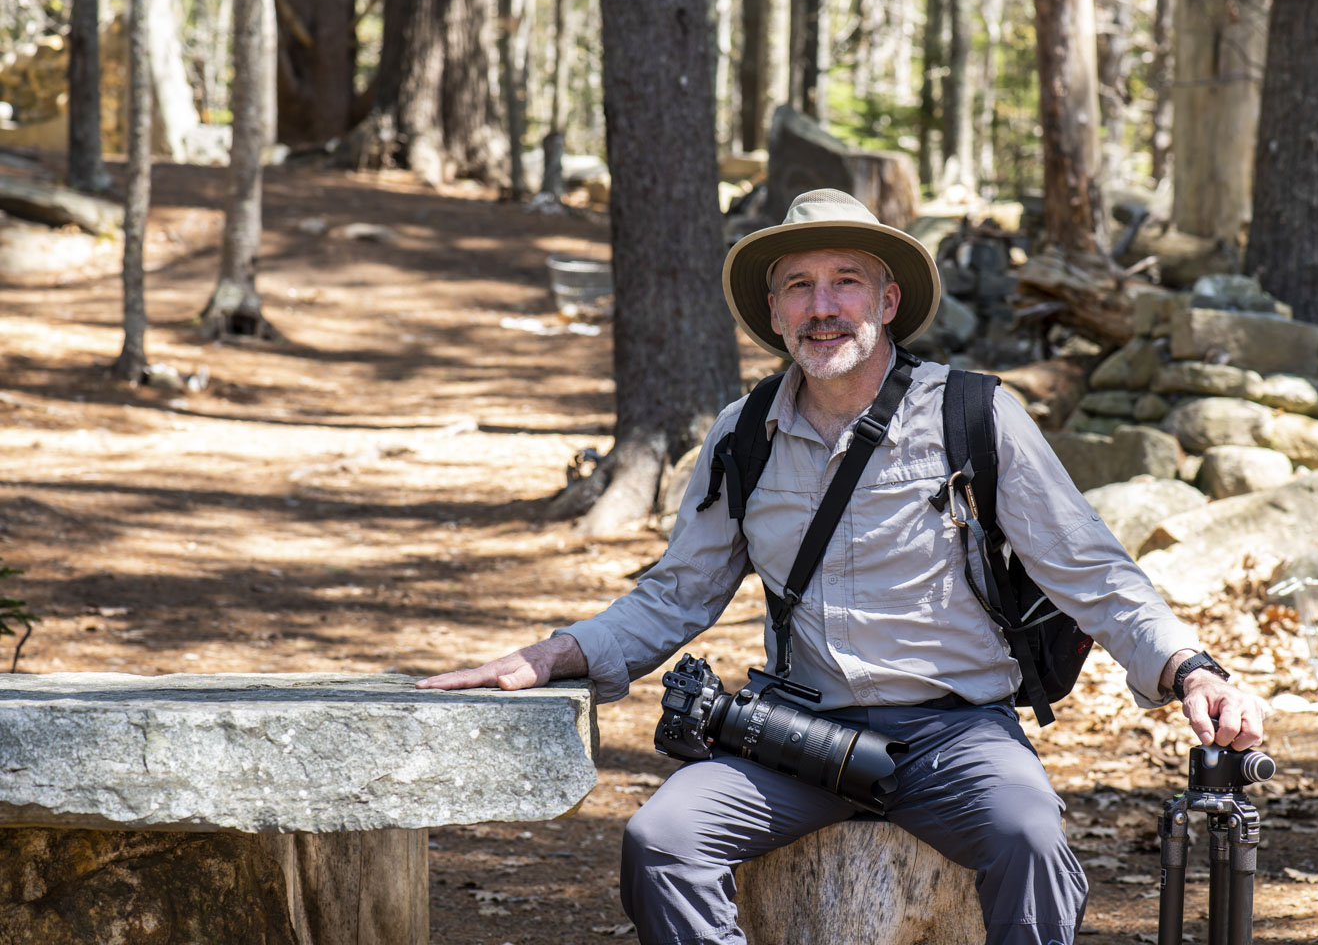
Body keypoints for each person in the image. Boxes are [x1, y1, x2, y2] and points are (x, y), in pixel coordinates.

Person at [419, 188, 1265, 945]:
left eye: (847, 281)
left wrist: (1189, 667)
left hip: (957, 733)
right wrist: (553, 655)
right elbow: (679, 593)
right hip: (799, 739)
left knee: (1032, 841)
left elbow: (1092, 571)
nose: (824, 307)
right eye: (799, 285)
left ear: (889, 300)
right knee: (661, 842)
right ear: (776, 311)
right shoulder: (742, 433)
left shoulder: (976, 414)